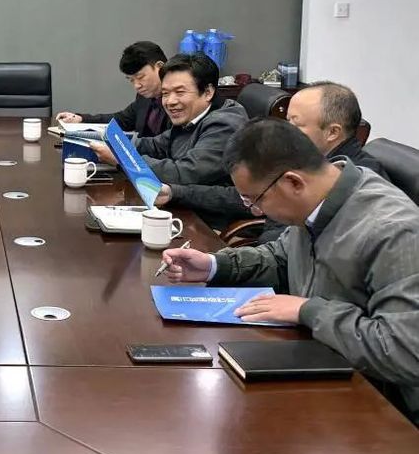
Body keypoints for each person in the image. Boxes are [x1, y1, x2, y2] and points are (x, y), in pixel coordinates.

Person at [161, 118, 419, 424]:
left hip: (383, 408)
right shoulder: (319, 198)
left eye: (255, 200)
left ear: (293, 182)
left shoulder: (393, 231)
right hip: (320, 365)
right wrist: (216, 265)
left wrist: (308, 310)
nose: (256, 211)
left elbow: (404, 351)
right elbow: (281, 258)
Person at [156, 80, 387, 233]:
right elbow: (243, 198)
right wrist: (176, 193)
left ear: (332, 132)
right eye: (287, 121)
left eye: (296, 124)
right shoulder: (302, 159)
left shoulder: (355, 185)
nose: (285, 131)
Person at [90, 53, 247, 192]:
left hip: (204, 213)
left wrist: (123, 159)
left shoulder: (224, 124)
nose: (170, 102)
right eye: (165, 93)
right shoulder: (192, 116)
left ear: (207, 92)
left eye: (180, 92)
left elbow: (185, 173)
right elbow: (155, 145)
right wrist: (110, 142)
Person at [56, 41, 169, 138]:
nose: (136, 86)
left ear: (160, 67)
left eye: (140, 77)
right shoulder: (145, 97)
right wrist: (81, 119)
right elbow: (122, 119)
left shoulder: (176, 102)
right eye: (131, 80)